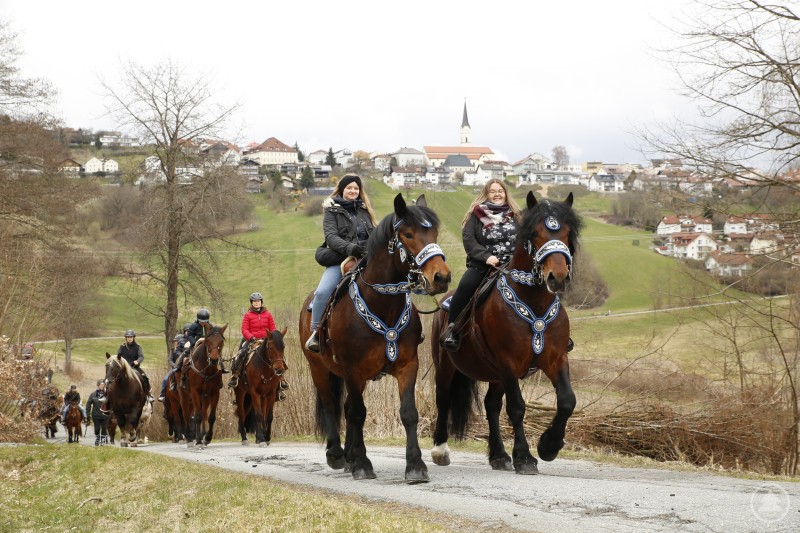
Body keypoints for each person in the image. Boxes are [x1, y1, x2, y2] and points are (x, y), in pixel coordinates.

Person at [442, 178, 522, 351]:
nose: (497, 194)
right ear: (486, 194)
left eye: (500, 191)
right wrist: (486, 256)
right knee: (465, 286)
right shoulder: (476, 215)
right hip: (485, 265)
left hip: (513, 264)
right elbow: (469, 239)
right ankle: (452, 330)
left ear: (506, 193)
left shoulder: (516, 215)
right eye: (493, 191)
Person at [305, 174, 377, 352]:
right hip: (342, 259)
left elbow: (375, 234)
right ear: (342, 190)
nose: (353, 191)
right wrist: (351, 249)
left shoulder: (365, 210)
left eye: (356, 188)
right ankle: (316, 333)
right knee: (322, 292)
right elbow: (331, 237)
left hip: (367, 259)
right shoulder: (332, 210)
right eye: (349, 188)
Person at [228, 292, 276, 390]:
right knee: (241, 354)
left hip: (266, 340)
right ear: (251, 303)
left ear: (261, 302)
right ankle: (236, 376)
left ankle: (281, 380)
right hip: (252, 340)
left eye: (258, 301)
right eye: (254, 301)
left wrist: (271, 337)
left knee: (278, 355)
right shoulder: (247, 315)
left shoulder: (268, 314)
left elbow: (273, 328)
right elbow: (244, 329)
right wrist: (251, 337)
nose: (257, 303)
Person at [116, 329, 155, 403]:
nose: (129, 338)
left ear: (134, 337)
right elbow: (118, 356)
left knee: (144, 377)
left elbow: (141, 356)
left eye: (131, 337)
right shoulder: (121, 347)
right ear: (126, 338)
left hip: (134, 367)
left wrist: (137, 361)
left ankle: (148, 395)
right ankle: (107, 396)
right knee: (112, 377)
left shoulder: (138, 346)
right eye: (128, 337)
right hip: (124, 368)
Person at [157, 334, 185, 402]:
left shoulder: (186, 350)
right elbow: (170, 360)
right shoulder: (173, 350)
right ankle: (162, 394)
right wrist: (174, 365)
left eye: (177, 341)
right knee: (165, 379)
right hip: (175, 368)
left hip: (185, 368)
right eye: (175, 341)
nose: (175, 342)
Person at [84, 380, 110, 446]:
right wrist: (88, 414)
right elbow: (88, 404)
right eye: (101, 385)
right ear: (98, 385)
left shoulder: (107, 394)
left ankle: (103, 440)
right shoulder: (93, 394)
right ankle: (98, 438)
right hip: (96, 415)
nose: (102, 386)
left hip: (105, 415)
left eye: (103, 385)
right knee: (97, 428)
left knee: (104, 428)